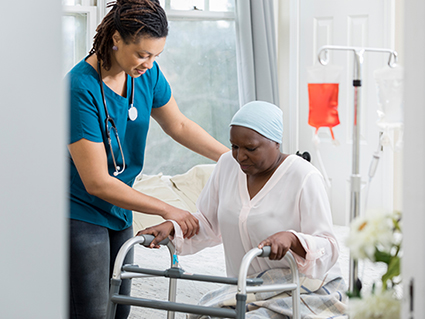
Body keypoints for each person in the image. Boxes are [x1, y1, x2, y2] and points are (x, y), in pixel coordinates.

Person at [66, 0, 229, 318]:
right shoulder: (78, 89)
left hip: (120, 212)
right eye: (142, 54)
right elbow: (97, 181)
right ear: (116, 39)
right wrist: (167, 208)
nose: (149, 63)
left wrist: (231, 157)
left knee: (121, 309)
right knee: (93, 311)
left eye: (156, 56)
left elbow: (178, 125)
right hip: (79, 211)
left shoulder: (145, 74)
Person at [139, 101, 348, 318]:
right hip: (246, 289)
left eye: (250, 148)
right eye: (234, 147)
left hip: (303, 287)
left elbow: (329, 246)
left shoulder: (304, 176)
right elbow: (208, 224)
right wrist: (173, 227)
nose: (240, 156)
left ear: (275, 142)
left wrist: (292, 239)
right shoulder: (226, 165)